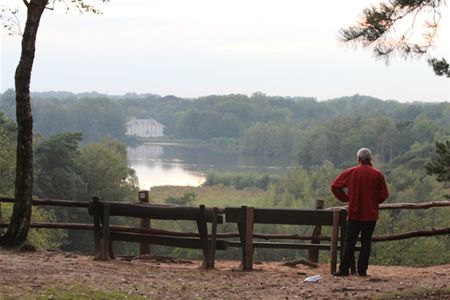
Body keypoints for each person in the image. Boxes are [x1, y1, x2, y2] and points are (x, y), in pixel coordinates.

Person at [331, 148, 389, 277]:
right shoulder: (377, 174)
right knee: (366, 243)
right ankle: (362, 270)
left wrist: (345, 198)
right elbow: (384, 194)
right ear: (370, 159)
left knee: (349, 241)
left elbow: (335, 186)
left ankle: (344, 270)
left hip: (355, 213)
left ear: (358, 159)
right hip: (371, 214)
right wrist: (374, 202)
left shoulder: (352, 172)